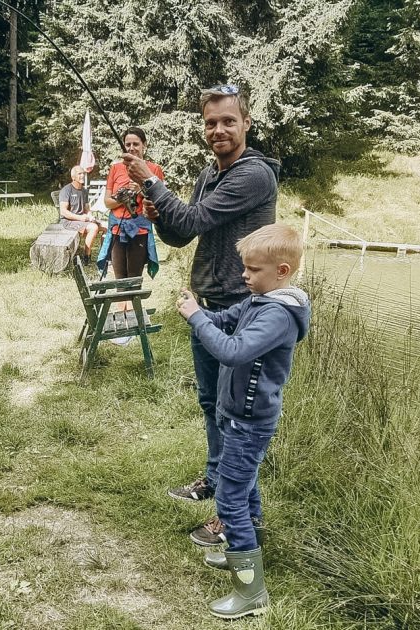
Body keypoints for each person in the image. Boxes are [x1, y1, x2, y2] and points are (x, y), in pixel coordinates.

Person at [122, 85, 280, 507]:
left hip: (242, 308)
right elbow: (182, 232)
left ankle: (239, 511)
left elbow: (195, 216)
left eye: (228, 121)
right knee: (212, 402)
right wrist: (157, 215)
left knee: (237, 415)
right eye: (211, 123)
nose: (218, 130)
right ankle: (214, 478)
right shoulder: (208, 175)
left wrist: (153, 183)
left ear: (246, 123)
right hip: (207, 305)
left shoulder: (254, 174)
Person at [175, 223, 310, 619]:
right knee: (246, 490)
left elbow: (233, 352)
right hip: (236, 415)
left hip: (250, 422)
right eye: (245, 268)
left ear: (282, 271)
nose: (244, 277)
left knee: (231, 500)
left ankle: (251, 592)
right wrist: (201, 313)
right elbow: (225, 321)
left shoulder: (279, 315)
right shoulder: (258, 302)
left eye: (252, 271)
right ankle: (245, 551)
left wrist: (196, 320)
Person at [96, 127, 164, 286]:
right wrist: (124, 196)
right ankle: (122, 311)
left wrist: (140, 192)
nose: (131, 148)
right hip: (117, 230)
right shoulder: (115, 168)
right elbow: (107, 202)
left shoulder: (154, 169)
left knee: (134, 280)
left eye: (136, 144)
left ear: (144, 145)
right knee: (119, 280)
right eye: (128, 144)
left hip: (139, 230)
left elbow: (160, 202)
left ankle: (133, 310)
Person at [59, 165, 105, 264]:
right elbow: (63, 212)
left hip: (82, 221)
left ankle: (104, 256)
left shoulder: (84, 191)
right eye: (79, 174)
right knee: (93, 228)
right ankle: (86, 257)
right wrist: (80, 218)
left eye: (83, 173)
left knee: (107, 226)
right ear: (73, 177)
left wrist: (90, 216)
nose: (82, 175)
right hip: (69, 222)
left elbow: (87, 208)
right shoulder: (66, 190)